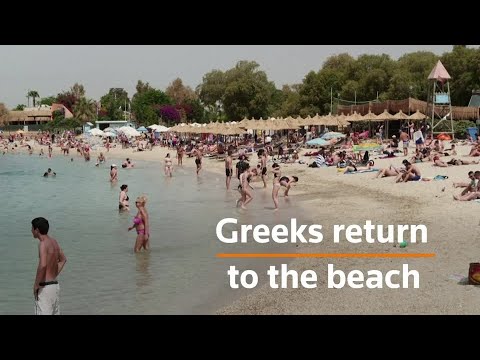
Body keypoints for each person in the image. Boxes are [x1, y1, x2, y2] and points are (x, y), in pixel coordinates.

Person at [31, 217, 67, 315]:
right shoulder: (54, 242)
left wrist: (36, 285)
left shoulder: (42, 244)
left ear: (37, 230)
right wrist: (54, 274)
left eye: (32, 228)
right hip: (54, 286)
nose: (31, 231)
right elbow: (63, 259)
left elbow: (43, 265)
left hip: (45, 289)